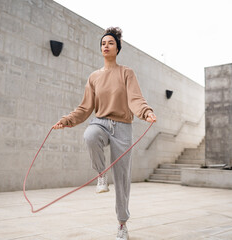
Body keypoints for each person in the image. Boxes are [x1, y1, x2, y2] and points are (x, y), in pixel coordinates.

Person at [53, 27, 157, 240]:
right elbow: (85, 108)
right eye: (103, 43)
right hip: (100, 122)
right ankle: (101, 174)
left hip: (122, 127)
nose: (106, 46)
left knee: (122, 178)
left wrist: (146, 112)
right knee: (89, 136)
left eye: (110, 43)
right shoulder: (94, 77)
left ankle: (122, 225)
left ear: (117, 48)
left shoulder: (126, 73)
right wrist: (67, 120)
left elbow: (135, 98)